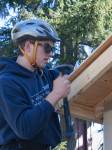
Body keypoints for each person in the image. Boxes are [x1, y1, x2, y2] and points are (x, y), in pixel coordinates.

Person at [0, 19, 71, 150]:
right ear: (28, 47)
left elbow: (65, 74)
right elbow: (24, 128)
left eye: (52, 48)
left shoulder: (42, 74)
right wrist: (55, 95)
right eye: (47, 48)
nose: (51, 54)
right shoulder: (6, 83)